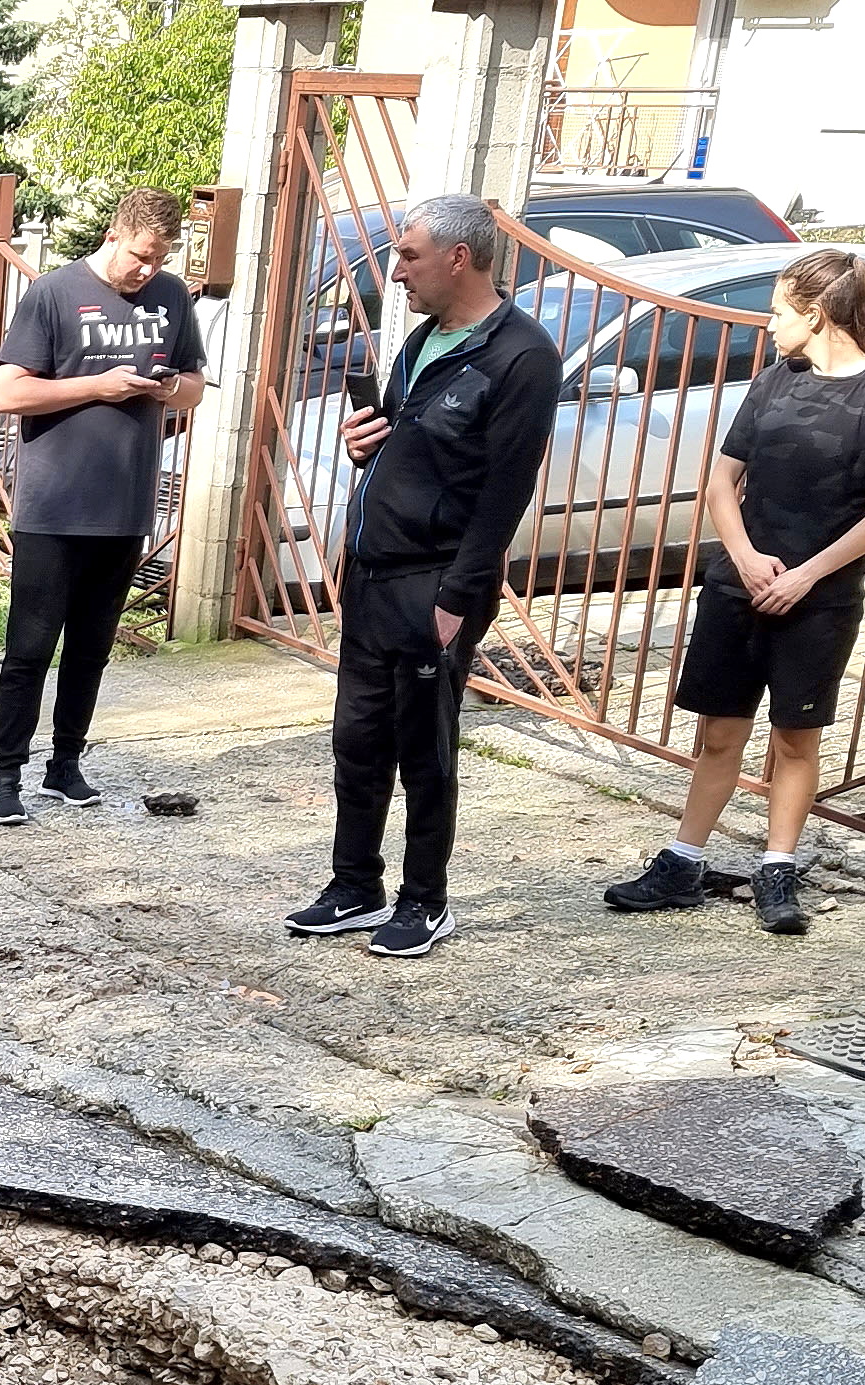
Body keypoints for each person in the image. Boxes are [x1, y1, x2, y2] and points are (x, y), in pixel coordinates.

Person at [597, 249, 865, 936]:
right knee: (719, 733)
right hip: (738, 587)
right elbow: (720, 483)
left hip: (819, 600)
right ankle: (682, 863)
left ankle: (777, 869)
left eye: (777, 312)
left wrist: (807, 574)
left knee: (796, 740)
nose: (768, 325)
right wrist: (744, 558)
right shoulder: (776, 381)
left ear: (816, 313)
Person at [281, 192, 559, 959]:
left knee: (424, 749)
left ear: (458, 258)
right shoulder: (423, 339)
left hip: (436, 583)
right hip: (373, 573)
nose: (396, 272)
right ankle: (354, 885)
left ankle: (424, 899)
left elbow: (506, 490)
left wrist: (460, 598)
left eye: (408, 255)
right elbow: (413, 447)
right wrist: (367, 446)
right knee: (357, 740)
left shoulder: (521, 355)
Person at [0, 186, 207, 826]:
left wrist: (172, 388)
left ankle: (65, 764)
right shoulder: (53, 294)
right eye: (140, 256)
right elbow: (8, 393)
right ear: (114, 235)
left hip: (125, 503)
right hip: (54, 506)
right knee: (30, 646)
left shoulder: (171, 297)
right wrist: (100, 387)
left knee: (92, 647)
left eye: (159, 259)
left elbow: (193, 384)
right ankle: (6, 774)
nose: (148, 271)